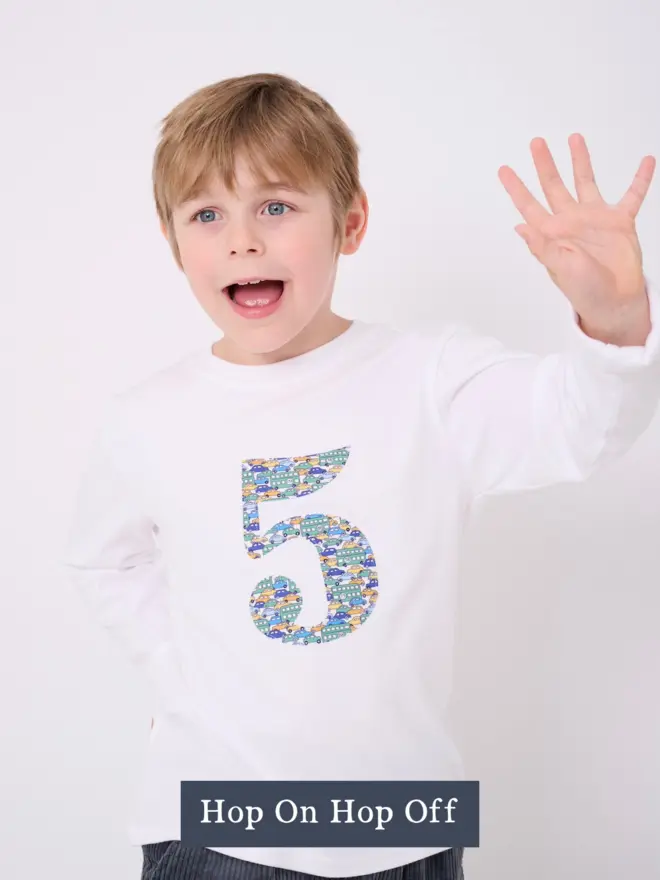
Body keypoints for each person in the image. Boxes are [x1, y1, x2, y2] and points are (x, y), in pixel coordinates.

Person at [62, 72, 660, 880]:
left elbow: (580, 425)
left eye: (275, 206)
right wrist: (186, 675)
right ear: (176, 247)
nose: (242, 240)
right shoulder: (148, 416)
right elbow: (108, 558)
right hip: (218, 828)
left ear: (350, 223)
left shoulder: (430, 378)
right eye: (207, 215)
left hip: (406, 825)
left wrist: (616, 322)